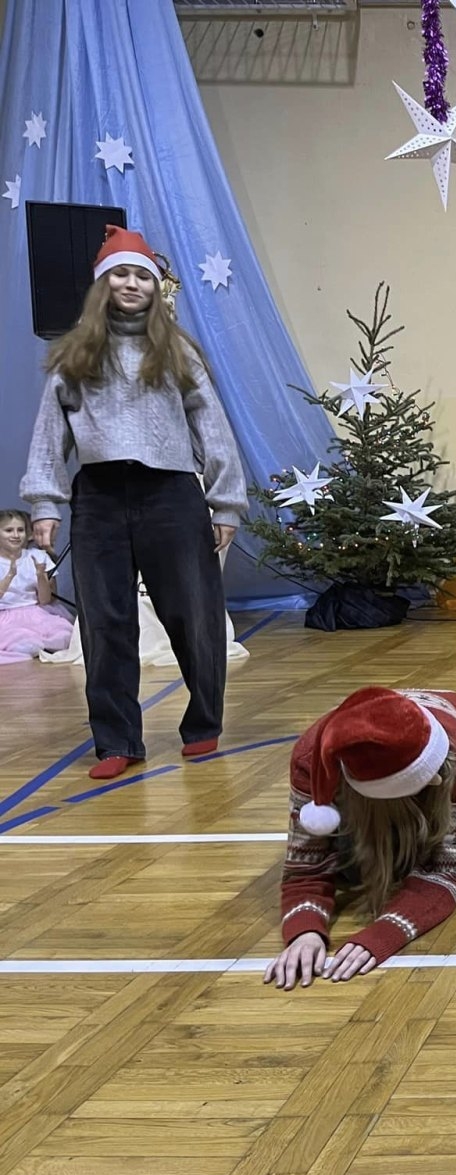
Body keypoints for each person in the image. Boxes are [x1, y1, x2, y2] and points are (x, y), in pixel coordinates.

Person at [20, 226, 246, 780]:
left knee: (192, 611)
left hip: (170, 493)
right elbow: (50, 433)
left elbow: (211, 426)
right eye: (119, 273)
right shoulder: (74, 354)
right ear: (102, 284)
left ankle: (203, 722)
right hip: (100, 497)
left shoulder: (177, 351)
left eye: (141, 275)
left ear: (154, 286)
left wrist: (225, 502)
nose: (130, 284)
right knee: (104, 621)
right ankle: (117, 740)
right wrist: (45, 503)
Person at [264, 687, 456, 989]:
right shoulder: (310, 759)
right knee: (354, 867)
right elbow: (306, 868)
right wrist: (305, 932)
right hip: (373, 795)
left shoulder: (454, 755)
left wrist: (385, 934)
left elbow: (446, 872)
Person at [0, 510, 74, 665]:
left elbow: (45, 600)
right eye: (9, 530)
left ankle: (41, 646)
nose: (16, 535)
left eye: (20, 530)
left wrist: (41, 575)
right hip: (6, 615)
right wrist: (10, 576)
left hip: (35, 612)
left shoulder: (38, 556)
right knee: (21, 640)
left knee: (65, 635)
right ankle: (29, 647)